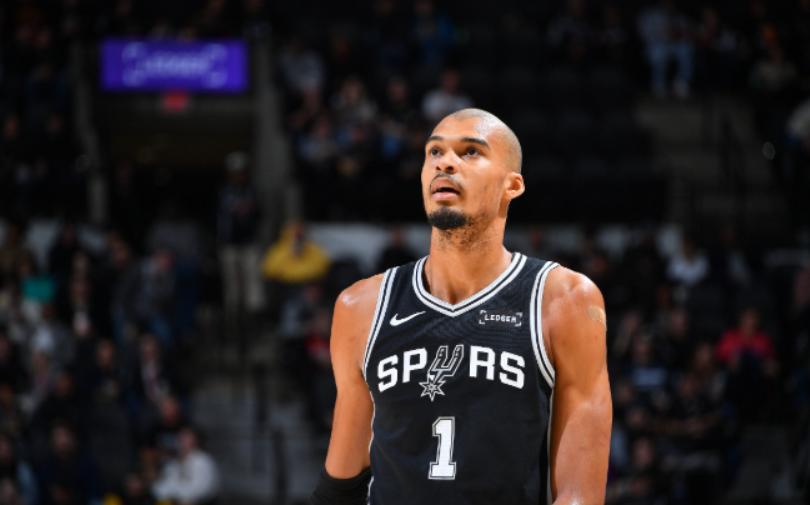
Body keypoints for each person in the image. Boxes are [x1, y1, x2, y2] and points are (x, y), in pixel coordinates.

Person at [311, 108, 612, 505]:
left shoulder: (564, 300)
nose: (445, 162)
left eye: (471, 151)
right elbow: (342, 481)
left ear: (512, 185)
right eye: (434, 152)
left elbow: (578, 495)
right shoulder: (361, 306)